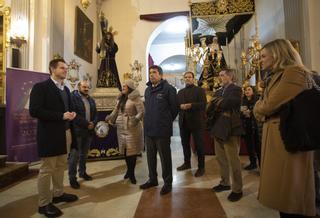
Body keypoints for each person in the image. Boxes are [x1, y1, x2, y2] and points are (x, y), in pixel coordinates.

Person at [253, 39, 316, 217]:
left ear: (277, 55)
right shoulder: (276, 76)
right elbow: (266, 106)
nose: (261, 60)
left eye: (264, 56)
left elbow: (267, 106)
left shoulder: (294, 73)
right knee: (282, 192)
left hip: (289, 138)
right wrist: (262, 107)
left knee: (291, 193)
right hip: (277, 137)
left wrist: (259, 107)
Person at [29, 58, 78, 217]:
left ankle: (58, 194)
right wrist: (60, 116)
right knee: (47, 169)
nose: (65, 70)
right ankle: (43, 204)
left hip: (66, 133)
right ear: (52, 69)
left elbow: (67, 110)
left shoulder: (66, 89)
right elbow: (34, 111)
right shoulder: (41, 87)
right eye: (62, 68)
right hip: (49, 134)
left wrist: (71, 114)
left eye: (66, 68)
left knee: (60, 166)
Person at [140, 65, 178, 195]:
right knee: (150, 158)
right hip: (149, 130)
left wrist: (165, 122)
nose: (151, 75)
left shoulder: (169, 89)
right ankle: (152, 179)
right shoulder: (147, 90)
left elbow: (174, 109)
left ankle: (167, 183)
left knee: (165, 158)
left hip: (162, 131)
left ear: (161, 75)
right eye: (150, 72)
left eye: (154, 72)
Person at [210, 68, 244, 202]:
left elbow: (231, 103)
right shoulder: (218, 91)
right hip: (217, 126)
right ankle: (225, 183)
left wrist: (218, 102)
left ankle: (237, 189)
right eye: (219, 75)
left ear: (230, 76)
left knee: (233, 160)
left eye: (222, 75)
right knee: (221, 158)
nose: (220, 77)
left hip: (231, 127)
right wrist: (219, 102)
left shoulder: (236, 89)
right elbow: (211, 106)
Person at [105, 79, 144, 184]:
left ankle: (132, 174)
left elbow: (141, 112)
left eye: (125, 87)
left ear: (130, 88)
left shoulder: (136, 98)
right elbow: (116, 110)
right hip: (121, 127)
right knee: (126, 151)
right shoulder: (120, 98)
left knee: (132, 151)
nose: (122, 88)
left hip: (133, 128)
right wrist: (110, 117)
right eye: (122, 86)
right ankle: (128, 171)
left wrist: (133, 121)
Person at [176, 71, 207, 177]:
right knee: (185, 145)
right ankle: (187, 163)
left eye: (190, 77)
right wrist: (180, 107)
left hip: (197, 122)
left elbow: (203, 105)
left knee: (199, 146)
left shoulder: (200, 90)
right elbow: (177, 105)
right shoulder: (180, 92)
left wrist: (191, 105)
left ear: (193, 79)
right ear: (183, 79)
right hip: (183, 122)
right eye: (186, 77)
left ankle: (201, 167)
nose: (188, 79)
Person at [68, 80, 97, 189]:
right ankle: (72, 178)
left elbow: (96, 114)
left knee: (84, 154)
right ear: (79, 87)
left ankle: (82, 172)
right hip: (77, 131)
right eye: (84, 87)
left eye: (87, 87)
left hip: (88, 131)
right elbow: (73, 114)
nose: (86, 89)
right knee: (74, 156)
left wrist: (93, 123)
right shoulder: (73, 98)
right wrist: (86, 123)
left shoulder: (91, 99)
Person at [240, 85, 261, 170]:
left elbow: (259, 111)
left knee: (257, 146)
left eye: (249, 89)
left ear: (253, 91)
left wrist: (251, 113)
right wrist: (243, 113)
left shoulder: (257, 100)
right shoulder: (243, 101)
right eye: (245, 90)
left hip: (255, 126)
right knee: (249, 146)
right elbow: (240, 112)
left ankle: (261, 165)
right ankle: (253, 163)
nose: (247, 91)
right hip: (246, 126)